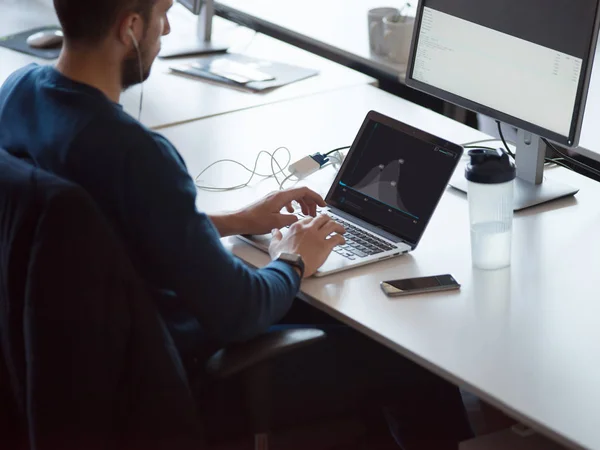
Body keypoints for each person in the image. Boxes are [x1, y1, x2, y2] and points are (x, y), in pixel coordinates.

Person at [0, 0, 473, 448]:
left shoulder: (17, 93)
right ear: (130, 28)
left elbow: (101, 222)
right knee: (411, 356)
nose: (166, 30)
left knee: (335, 310)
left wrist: (240, 219)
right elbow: (240, 309)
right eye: (163, 14)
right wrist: (292, 259)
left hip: (65, 364)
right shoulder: (135, 155)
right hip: (176, 372)